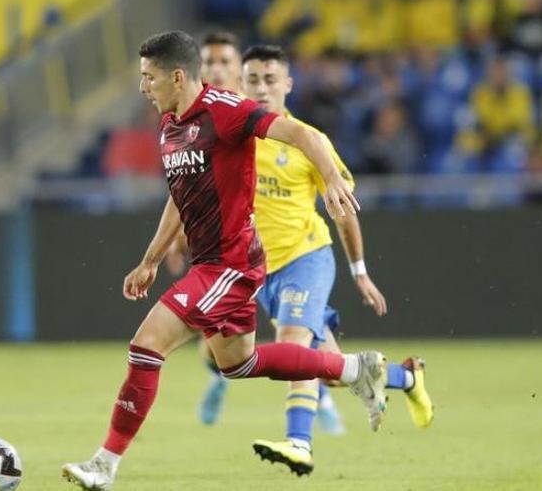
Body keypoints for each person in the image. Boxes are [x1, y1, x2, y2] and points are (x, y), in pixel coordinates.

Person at [62, 30, 389, 490]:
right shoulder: (171, 124)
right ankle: (356, 369)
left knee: (146, 345)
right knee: (239, 363)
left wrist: (332, 178)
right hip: (210, 264)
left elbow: (296, 131)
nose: (143, 87)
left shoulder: (225, 110)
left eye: (148, 77)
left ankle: (104, 463)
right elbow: (179, 199)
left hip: (231, 265)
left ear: (177, 76)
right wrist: (151, 259)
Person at [240, 44, 433, 476]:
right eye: (253, 80)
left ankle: (299, 444)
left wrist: (359, 272)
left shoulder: (309, 141)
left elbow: (343, 209)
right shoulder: (232, 141)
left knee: (292, 347)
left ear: (287, 85)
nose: (262, 88)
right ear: (241, 84)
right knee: (328, 370)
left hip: (306, 258)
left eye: (271, 80)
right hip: (263, 274)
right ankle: (407, 377)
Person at [186, 33, 348, 436]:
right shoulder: (203, 121)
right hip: (234, 254)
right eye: (211, 62)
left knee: (293, 342)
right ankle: (220, 381)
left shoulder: (257, 116)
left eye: (225, 61)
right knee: (217, 349)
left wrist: (359, 267)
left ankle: (311, 418)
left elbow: (305, 139)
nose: (218, 69)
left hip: (289, 254)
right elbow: (187, 187)